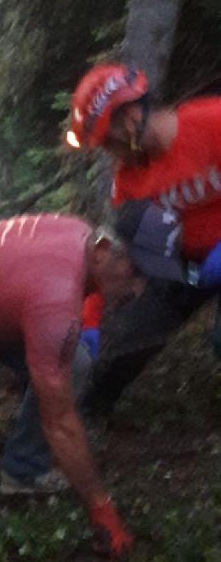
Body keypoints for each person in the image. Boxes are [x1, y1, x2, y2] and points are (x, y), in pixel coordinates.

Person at [0, 209, 187, 559]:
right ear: (104, 249)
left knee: (74, 363)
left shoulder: (82, 236)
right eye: (135, 272)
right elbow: (60, 422)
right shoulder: (54, 294)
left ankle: (23, 471)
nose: (138, 289)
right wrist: (100, 505)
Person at [67, 63, 221, 415]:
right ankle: (89, 415)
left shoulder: (212, 122)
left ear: (131, 117)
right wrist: (89, 319)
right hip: (190, 267)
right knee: (133, 338)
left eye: (109, 141)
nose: (111, 152)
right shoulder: (130, 182)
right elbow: (120, 252)